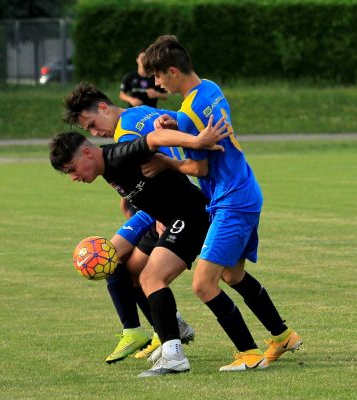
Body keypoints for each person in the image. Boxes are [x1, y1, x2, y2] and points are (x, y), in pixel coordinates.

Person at [141, 34, 302, 371]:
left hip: (231, 201)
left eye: (157, 76)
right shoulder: (209, 89)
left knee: (203, 283)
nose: (156, 83)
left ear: (172, 71)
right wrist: (176, 122)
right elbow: (194, 121)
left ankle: (249, 353)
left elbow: (197, 167)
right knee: (232, 274)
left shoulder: (188, 114)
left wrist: (165, 161)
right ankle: (283, 336)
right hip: (244, 190)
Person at [49, 124, 226, 377]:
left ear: (87, 153)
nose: (74, 177)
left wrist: (197, 141)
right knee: (130, 271)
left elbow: (154, 137)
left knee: (151, 277)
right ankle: (172, 328)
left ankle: (174, 355)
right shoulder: (107, 170)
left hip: (190, 214)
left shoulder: (118, 155)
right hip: (169, 218)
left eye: (72, 169)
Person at [63, 83, 192, 363]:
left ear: (104, 108)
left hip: (168, 206)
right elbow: (184, 123)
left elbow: (153, 159)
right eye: (89, 131)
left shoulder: (123, 133)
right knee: (128, 266)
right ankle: (162, 328)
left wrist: (160, 214)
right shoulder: (142, 110)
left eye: (94, 125)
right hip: (162, 202)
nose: (96, 134)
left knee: (112, 257)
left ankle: (149, 330)